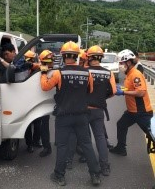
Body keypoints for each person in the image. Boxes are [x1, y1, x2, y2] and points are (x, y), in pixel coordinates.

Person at [40, 41, 101, 186]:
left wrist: (43, 72)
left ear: (63, 56)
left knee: (62, 146)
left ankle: (59, 176)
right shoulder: (87, 73)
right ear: (77, 56)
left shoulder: (58, 73)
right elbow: (90, 91)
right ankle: (95, 175)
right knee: (86, 144)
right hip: (81, 115)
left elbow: (45, 87)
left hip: (63, 116)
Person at [110, 49, 153, 156]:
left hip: (141, 111)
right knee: (121, 124)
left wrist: (124, 93)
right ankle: (121, 148)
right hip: (132, 111)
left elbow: (141, 92)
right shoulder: (129, 74)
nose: (120, 65)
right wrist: (123, 88)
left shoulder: (135, 74)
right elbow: (131, 88)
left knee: (151, 134)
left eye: (121, 63)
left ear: (128, 62)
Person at [85, 45, 116, 176]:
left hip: (83, 110)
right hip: (98, 111)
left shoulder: (84, 71)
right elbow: (113, 91)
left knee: (84, 139)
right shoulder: (109, 73)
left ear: (89, 57)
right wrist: (102, 97)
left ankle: (85, 161)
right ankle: (104, 166)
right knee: (100, 138)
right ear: (101, 58)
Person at [36, 50, 54, 157]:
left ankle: (50, 146)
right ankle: (47, 147)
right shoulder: (38, 70)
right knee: (44, 125)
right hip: (43, 102)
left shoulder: (56, 71)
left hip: (53, 101)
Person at [24, 50, 42, 153]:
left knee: (37, 123)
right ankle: (30, 144)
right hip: (27, 99)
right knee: (29, 123)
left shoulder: (37, 68)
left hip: (34, 99)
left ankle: (35, 141)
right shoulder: (23, 68)